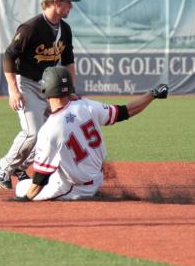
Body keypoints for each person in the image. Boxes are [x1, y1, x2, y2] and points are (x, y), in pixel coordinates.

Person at [14, 66, 168, 201]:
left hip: (77, 188)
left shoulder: (49, 130)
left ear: (45, 90)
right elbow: (126, 111)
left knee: (21, 188)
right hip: (97, 176)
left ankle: (23, 180)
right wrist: (152, 94)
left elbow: (41, 178)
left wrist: (26, 198)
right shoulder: (86, 105)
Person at [0, 0, 81, 189]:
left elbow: (68, 61)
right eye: (68, 3)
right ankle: (4, 167)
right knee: (32, 132)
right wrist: (13, 90)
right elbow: (9, 56)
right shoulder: (31, 28)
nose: (71, 6)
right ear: (55, 3)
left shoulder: (65, 29)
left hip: (48, 86)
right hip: (25, 82)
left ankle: (20, 167)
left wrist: (70, 92)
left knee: (50, 133)